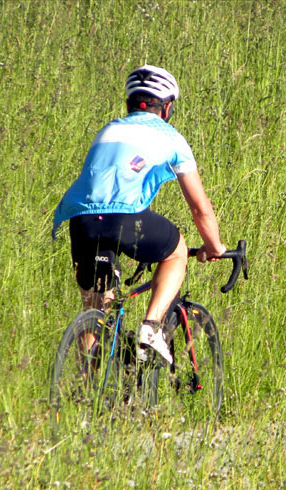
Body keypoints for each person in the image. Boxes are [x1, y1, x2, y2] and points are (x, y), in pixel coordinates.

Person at [52, 65, 227, 365]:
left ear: (129, 104)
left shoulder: (107, 130)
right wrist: (214, 246)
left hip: (81, 221)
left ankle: (86, 386)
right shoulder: (171, 137)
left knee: (97, 309)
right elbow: (200, 208)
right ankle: (151, 328)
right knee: (177, 250)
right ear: (167, 108)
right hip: (124, 219)